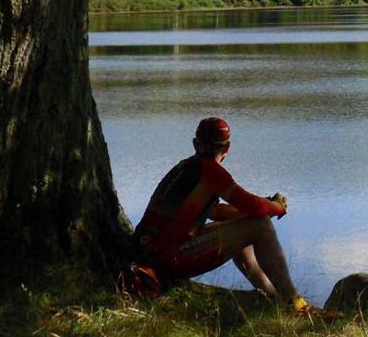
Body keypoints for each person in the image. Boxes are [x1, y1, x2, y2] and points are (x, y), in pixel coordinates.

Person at [132, 116, 323, 316]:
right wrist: (276, 207)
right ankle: (295, 304)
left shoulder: (186, 167)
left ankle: (271, 296)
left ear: (196, 143)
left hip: (151, 253)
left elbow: (218, 212)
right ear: (227, 148)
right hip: (171, 259)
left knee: (247, 223)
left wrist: (262, 207)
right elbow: (253, 206)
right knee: (260, 225)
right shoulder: (211, 172)